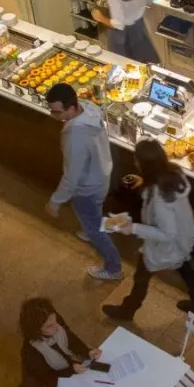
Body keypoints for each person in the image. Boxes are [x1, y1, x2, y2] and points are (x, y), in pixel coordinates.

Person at [102, 139, 194, 321]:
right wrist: (144, 183)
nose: (134, 161)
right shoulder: (173, 172)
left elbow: (167, 233)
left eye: (137, 159)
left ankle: (127, 311)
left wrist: (132, 228)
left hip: (166, 245)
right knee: (183, 267)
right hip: (184, 237)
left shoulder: (160, 200)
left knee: (142, 275)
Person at [44, 83, 123, 280]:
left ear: (71, 108)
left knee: (94, 227)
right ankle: (99, 227)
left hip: (87, 186)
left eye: (56, 112)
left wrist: (55, 201)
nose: (54, 116)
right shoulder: (88, 108)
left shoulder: (76, 136)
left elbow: (72, 176)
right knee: (94, 214)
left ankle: (114, 268)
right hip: (101, 175)